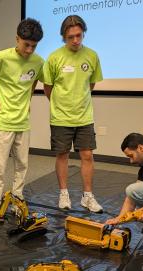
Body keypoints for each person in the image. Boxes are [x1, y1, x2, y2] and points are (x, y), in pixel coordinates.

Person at [0, 18, 44, 218]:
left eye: (34, 46)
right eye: (26, 44)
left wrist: (28, 100)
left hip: (23, 122)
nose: (29, 50)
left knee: (22, 165)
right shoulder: (1, 57)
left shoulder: (38, 61)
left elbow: (34, 79)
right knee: (0, 167)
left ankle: (17, 199)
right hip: (4, 121)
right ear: (17, 39)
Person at [43, 15, 103, 213]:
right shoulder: (54, 57)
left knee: (87, 155)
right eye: (71, 37)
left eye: (79, 35)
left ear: (83, 33)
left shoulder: (92, 56)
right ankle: (64, 194)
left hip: (84, 116)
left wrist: (79, 101)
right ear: (63, 37)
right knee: (62, 155)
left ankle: (87, 197)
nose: (76, 40)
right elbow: (48, 88)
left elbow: (91, 84)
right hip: (60, 116)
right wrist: (61, 105)